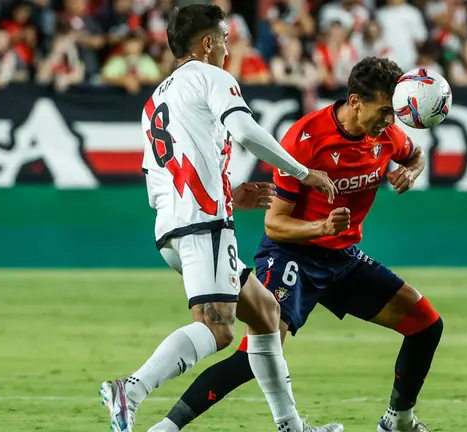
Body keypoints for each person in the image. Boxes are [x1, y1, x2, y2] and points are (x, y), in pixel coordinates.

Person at [155, 57, 443, 432]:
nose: (391, 120)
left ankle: (398, 420)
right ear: (355, 101)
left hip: (342, 258)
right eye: (385, 111)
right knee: (255, 354)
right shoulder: (306, 140)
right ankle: (167, 426)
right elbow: (274, 225)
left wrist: (411, 171)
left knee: (426, 325)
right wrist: (321, 226)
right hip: (291, 257)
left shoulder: (386, 135)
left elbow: (415, 154)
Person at [98, 5, 342, 432]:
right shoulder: (213, 77)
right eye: (225, 39)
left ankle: (292, 428)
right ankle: (130, 389)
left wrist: (232, 194)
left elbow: (160, 176)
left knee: (265, 313)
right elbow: (246, 132)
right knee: (219, 328)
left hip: (174, 224)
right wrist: (303, 173)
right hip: (203, 225)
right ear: (207, 43)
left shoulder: (156, 99)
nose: (229, 49)